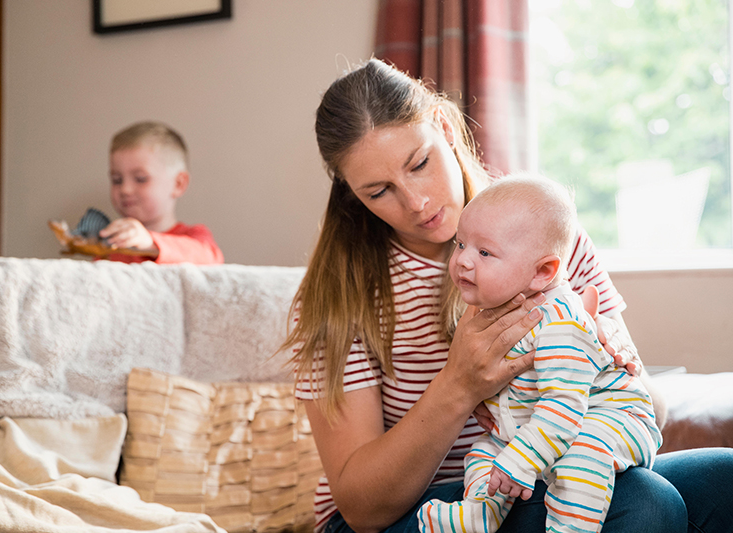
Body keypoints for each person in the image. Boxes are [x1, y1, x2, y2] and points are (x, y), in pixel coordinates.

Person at [283, 57, 733, 533]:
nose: (415, 202)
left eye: (419, 163)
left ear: (444, 127)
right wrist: (459, 384)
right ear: (353, 194)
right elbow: (361, 509)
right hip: (412, 509)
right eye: (379, 191)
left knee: (724, 477)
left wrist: (604, 360)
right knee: (645, 503)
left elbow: (648, 412)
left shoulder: (545, 236)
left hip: (544, 473)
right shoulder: (340, 297)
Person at [417, 173, 661, 533]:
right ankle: (479, 512)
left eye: (484, 252)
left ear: (543, 271)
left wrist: (521, 459)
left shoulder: (561, 321)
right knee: (483, 453)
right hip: (541, 430)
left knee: (581, 461)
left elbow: (563, 407)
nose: (464, 261)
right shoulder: (495, 307)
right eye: (461, 244)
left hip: (609, 419)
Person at [98, 121, 224, 265]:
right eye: (117, 180)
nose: (125, 189)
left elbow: (211, 258)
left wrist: (150, 242)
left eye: (141, 179)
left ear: (178, 184)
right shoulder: (109, 247)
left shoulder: (194, 236)